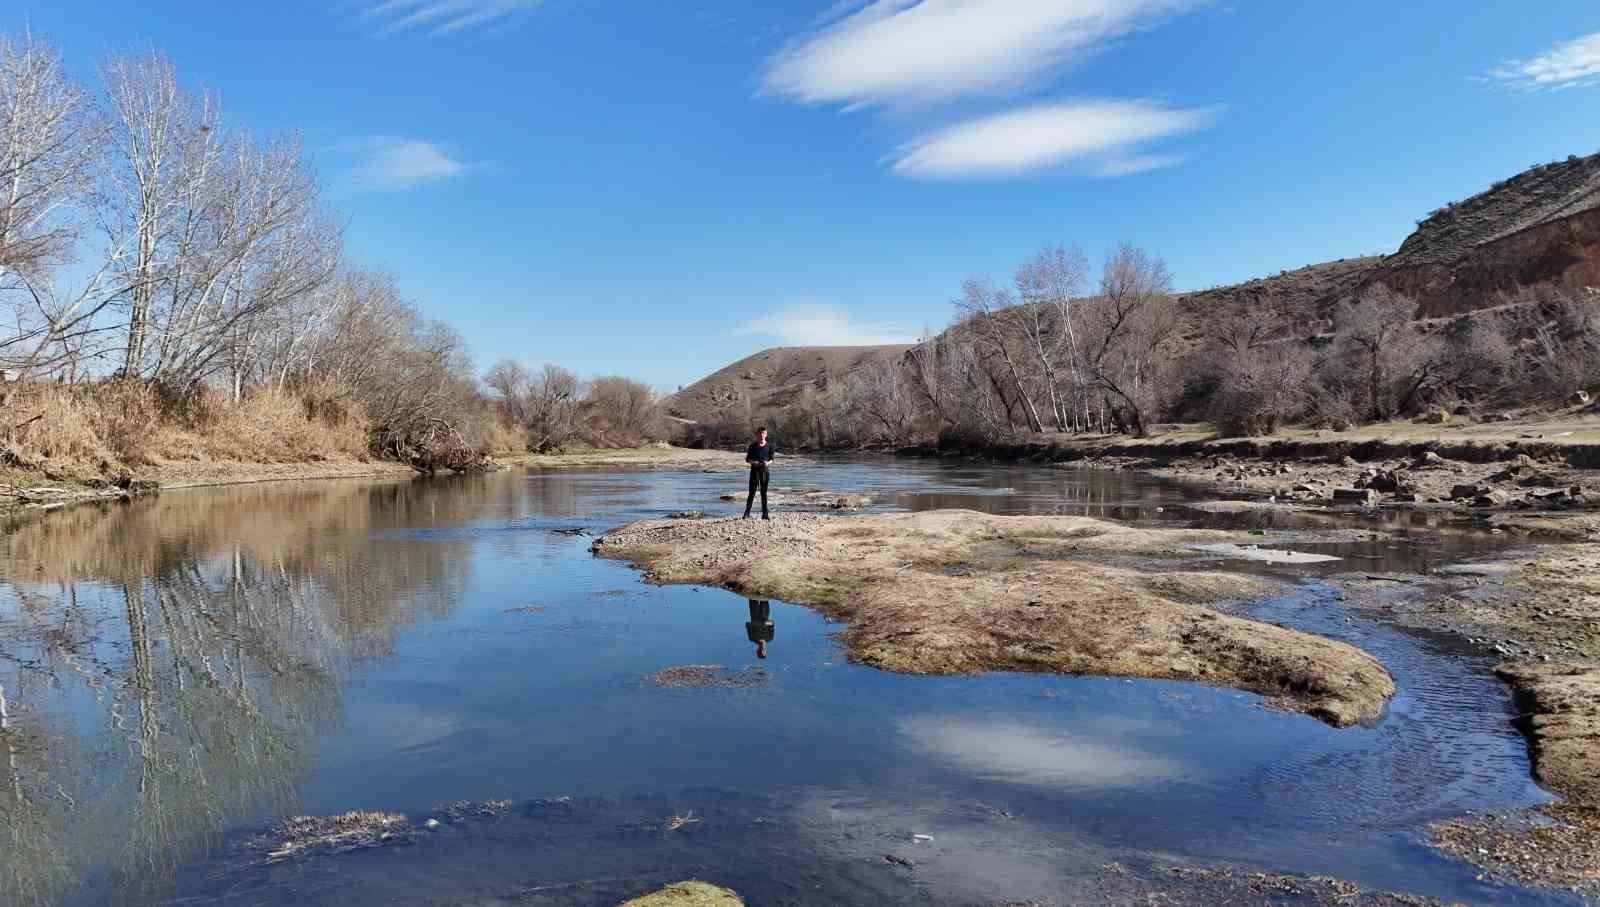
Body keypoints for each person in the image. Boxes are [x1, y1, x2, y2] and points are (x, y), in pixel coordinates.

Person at [744, 426, 775, 520]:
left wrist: (767, 463)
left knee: (764, 493)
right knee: (752, 493)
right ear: (757, 435)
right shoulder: (752, 446)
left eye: (763, 433)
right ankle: (747, 513)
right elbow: (747, 459)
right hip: (754, 471)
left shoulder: (770, 446)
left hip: (765, 471)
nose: (762, 435)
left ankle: (765, 514)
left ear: (766, 435)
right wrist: (754, 462)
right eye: (760, 433)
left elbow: (772, 459)